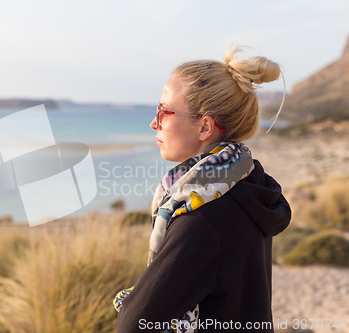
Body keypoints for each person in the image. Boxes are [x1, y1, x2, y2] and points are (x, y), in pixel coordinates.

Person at [113, 46, 292, 333]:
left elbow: (135, 323)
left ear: (205, 127)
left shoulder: (201, 216)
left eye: (164, 111)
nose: (153, 123)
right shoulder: (248, 184)